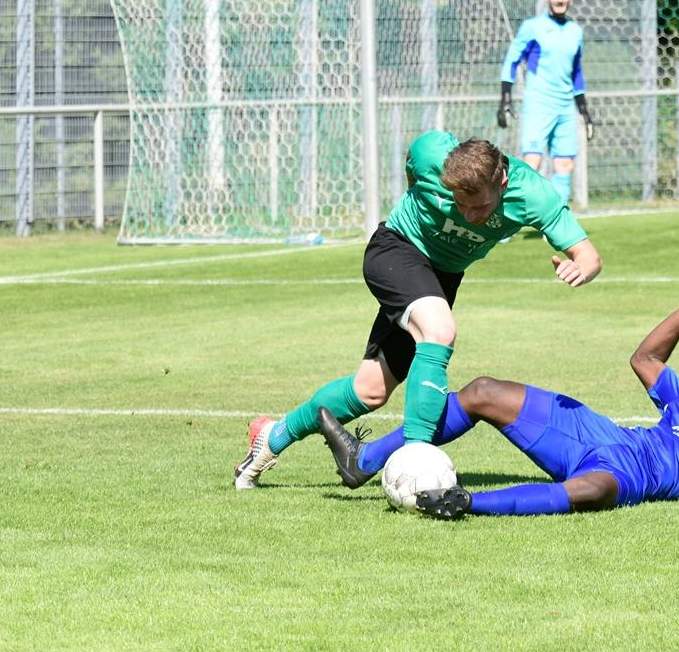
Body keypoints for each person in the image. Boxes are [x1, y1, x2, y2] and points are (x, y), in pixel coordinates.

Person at [317, 268, 679, 517]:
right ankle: (364, 460)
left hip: (635, 477)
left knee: (593, 493)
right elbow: (645, 359)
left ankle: (463, 504)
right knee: (483, 390)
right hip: (602, 436)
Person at [233, 130, 602, 490]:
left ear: (502, 180)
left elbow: (588, 255)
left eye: (482, 208)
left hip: (442, 278)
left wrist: (581, 268)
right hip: (396, 250)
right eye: (460, 204)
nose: (471, 216)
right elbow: (414, 171)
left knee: (369, 392)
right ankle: (415, 460)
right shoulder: (431, 154)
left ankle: (270, 438)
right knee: (439, 331)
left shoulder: (533, 193)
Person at [497, 0, 593, 204]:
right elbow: (512, 61)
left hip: (565, 106)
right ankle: (509, 222)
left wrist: (584, 110)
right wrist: (505, 99)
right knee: (531, 163)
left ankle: (556, 223)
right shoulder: (533, 27)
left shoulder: (575, 31)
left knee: (565, 164)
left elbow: (576, 73)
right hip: (539, 104)